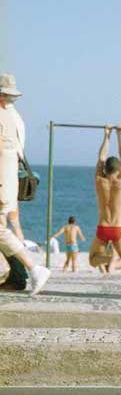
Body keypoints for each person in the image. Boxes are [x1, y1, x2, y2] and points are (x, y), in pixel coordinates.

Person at [0, 75, 51, 294]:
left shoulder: (3, 117)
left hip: (3, 179)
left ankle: (31, 269)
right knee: (5, 228)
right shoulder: (15, 118)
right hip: (9, 179)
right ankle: (24, 271)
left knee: (2, 230)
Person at [88, 126, 121, 273]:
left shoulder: (99, 180)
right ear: (119, 170)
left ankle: (108, 260)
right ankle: (114, 263)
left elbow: (101, 158)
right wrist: (120, 134)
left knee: (93, 259)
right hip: (118, 228)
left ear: (105, 169)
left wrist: (106, 135)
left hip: (103, 227)